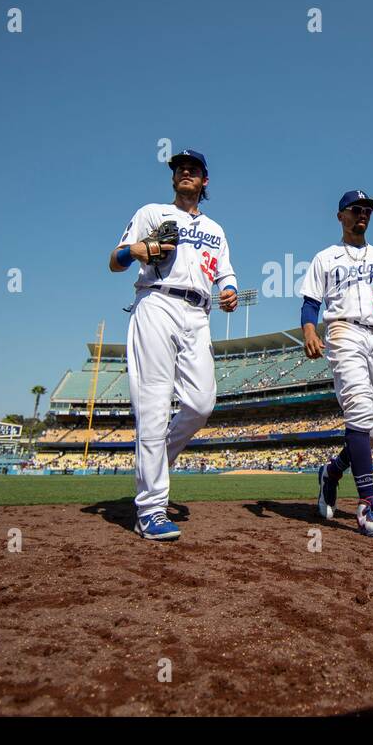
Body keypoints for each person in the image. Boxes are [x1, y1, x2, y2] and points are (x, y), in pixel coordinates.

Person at [109, 149, 238, 541]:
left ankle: (157, 461)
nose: (186, 171)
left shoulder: (215, 229)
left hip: (198, 313)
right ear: (174, 178)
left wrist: (229, 290)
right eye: (180, 168)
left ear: (204, 180)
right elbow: (115, 261)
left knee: (202, 403)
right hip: (157, 302)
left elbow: (226, 273)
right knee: (153, 404)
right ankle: (150, 508)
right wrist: (136, 250)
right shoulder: (151, 212)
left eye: (194, 168)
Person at [300, 190, 373, 539]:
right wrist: (309, 330)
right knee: (360, 412)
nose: (362, 213)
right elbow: (310, 303)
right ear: (341, 216)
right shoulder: (325, 258)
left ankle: (332, 472)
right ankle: (368, 504)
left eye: (367, 209)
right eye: (355, 209)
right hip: (343, 331)